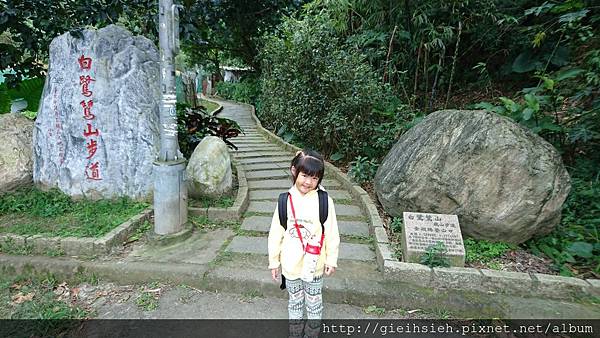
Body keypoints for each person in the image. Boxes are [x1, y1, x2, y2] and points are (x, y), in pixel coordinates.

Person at [268, 149, 340, 337]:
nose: (308, 182)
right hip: (290, 266)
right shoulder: (285, 200)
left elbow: (332, 232)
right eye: (305, 175)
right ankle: (295, 332)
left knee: (314, 302)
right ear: (294, 171)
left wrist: (331, 260)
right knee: (295, 301)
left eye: (314, 178)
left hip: (314, 265)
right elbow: (276, 232)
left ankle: (312, 333)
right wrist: (274, 261)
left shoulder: (324, 201)